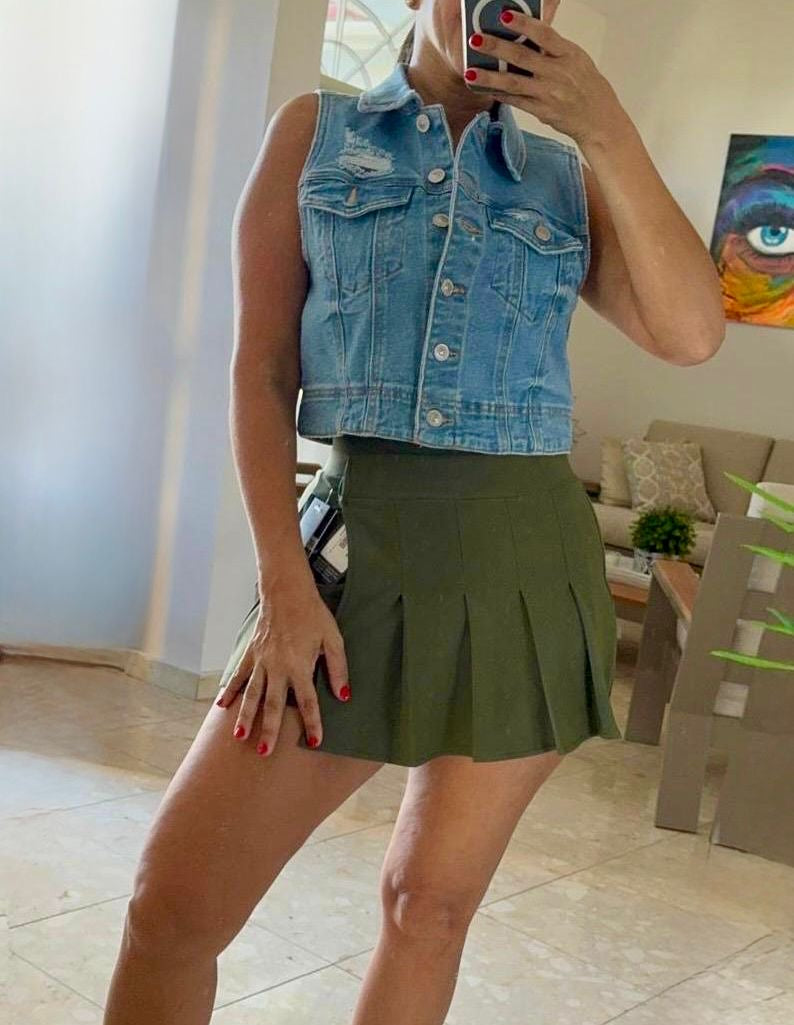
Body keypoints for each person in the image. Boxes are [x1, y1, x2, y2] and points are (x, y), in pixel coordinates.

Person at [102, 2, 725, 1023]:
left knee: (428, 907)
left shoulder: (566, 177)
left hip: (527, 568)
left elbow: (692, 334)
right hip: (352, 559)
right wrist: (283, 585)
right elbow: (261, 372)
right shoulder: (315, 134)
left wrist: (606, 126)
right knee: (171, 906)